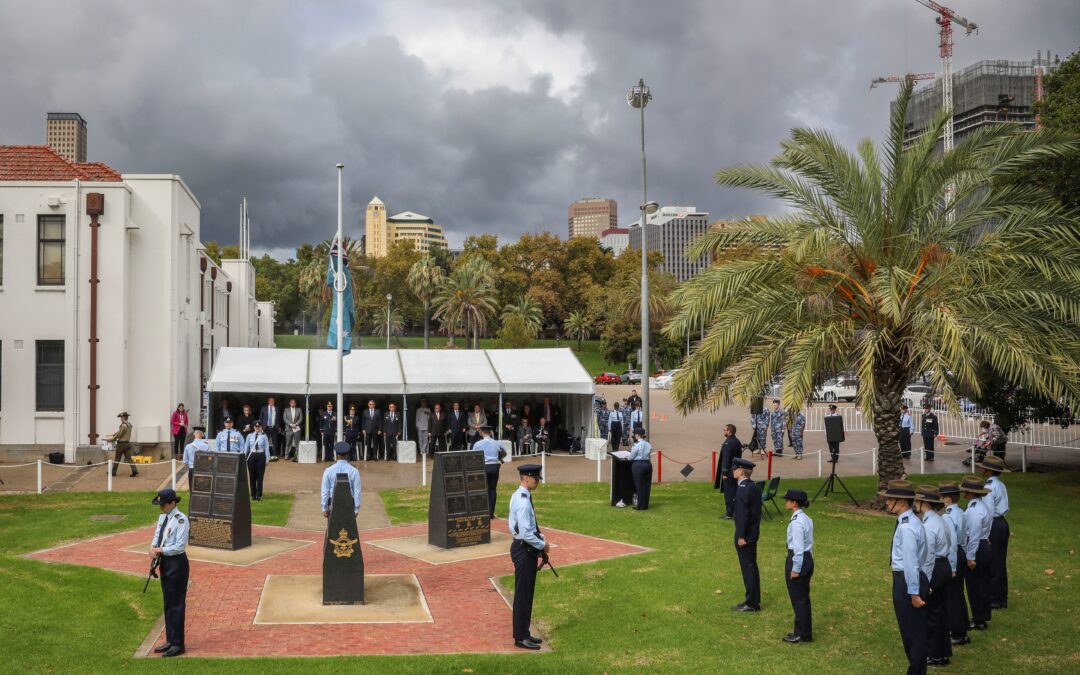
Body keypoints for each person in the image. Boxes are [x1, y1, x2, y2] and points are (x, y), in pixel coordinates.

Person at [880, 479, 929, 675]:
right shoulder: (911, 522)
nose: (886, 502)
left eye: (890, 499)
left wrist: (914, 592)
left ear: (901, 502)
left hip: (907, 581)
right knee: (912, 631)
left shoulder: (907, 527)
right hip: (911, 578)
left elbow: (911, 562)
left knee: (912, 633)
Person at [508, 463, 548, 650]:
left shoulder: (520, 495)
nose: (537, 481)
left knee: (526, 594)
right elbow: (525, 533)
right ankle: (520, 636)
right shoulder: (523, 501)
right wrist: (543, 545)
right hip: (524, 549)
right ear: (526, 478)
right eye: (535, 478)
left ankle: (524, 632)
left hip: (524, 548)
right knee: (523, 595)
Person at [914, 485, 953, 667]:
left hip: (935, 567)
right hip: (943, 564)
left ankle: (934, 653)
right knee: (940, 610)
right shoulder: (940, 520)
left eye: (917, 500)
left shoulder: (929, 525)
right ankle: (943, 652)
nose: (915, 503)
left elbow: (928, 557)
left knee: (932, 613)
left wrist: (926, 581)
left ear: (923, 503)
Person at [149, 488, 189, 658]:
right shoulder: (163, 517)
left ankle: (179, 643)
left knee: (177, 604)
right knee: (168, 603)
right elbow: (158, 534)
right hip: (165, 561)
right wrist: (153, 548)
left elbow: (179, 546)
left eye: (163, 505)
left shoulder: (181, 520)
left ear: (173, 503)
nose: (161, 508)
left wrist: (161, 550)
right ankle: (170, 639)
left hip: (177, 563)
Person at [939, 481, 971, 646]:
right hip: (960, 552)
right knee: (958, 593)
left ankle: (957, 632)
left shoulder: (947, 516)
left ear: (948, 499)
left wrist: (951, 566)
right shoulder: (961, 512)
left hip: (953, 554)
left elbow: (950, 542)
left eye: (942, 496)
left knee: (952, 595)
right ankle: (962, 629)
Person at [977, 455, 1010, 609]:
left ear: (988, 470)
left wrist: (985, 534)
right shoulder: (1000, 484)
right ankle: (1001, 595)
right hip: (1002, 523)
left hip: (994, 524)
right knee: (1000, 561)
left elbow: (988, 512)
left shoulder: (989, 487)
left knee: (994, 562)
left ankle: (995, 598)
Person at [960, 475, 992, 630]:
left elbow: (973, 535)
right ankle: (982, 615)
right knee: (982, 583)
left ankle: (979, 618)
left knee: (975, 585)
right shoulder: (981, 506)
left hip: (977, 547)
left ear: (970, 492)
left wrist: (970, 557)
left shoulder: (974, 510)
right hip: (983, 544)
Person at [782, 488, 814, 644]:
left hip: (797, 559)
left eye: (787, 500)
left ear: (794, 503)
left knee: (798, 598)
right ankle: (805, 631)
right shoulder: (807, 519)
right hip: (807, 559)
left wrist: (795, 569)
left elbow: (799, 549)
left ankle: (801, 633)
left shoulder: (796, 523)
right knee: (803, 597)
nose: (786, 502)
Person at [732, 457, 762, 612]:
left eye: (735, 469)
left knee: (748, 568)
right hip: (752, 532)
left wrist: (741, 536)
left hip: (746, 535)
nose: (733, 471)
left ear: (741, 471)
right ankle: (753, 599)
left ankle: (751, 602)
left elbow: (743, 515)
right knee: (751, 567)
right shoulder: (752, 487)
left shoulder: (743, 489)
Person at [321, 441, 361, 519]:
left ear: (336, 454)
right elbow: (357, 491)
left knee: (332, 528)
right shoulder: (354, 471)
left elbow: (325, 491)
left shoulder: (328, 470)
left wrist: (324, 507)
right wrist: (356, 508)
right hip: (349, 503)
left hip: (333, 503)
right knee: (349, 529)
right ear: (347, 454)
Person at [475, 425, 503, 517]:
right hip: (494, 466)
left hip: (484, 466)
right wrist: (500, 460)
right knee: (493, 489)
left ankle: (484, 510)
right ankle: (491, 512)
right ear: (490, 433)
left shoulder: (478, 444)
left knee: (484, 489)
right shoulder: (497, 443)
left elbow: (473, 455)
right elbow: (505, 452)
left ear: (482, 433)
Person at [717, 424, 743, 519]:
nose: (724, 431)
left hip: (729, 472)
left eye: (725, 430)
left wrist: (724, 473)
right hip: (735, 470)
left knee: (729, 493)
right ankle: (733, 511)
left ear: (729, 431)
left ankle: (729, 513)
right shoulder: (736, 441)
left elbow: (726, 459)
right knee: (733, 491)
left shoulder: (728, 443)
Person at [106, 412, 139, 477]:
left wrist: (112, 439)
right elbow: (120, 432)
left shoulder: (123, 425)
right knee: (129, 458)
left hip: (121, 444)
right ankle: (135, 470)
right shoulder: (129, 425)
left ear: (123, 417)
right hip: (127, 444)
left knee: (117, 459)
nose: (120, 419)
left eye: (121, 417)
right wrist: (113, 434)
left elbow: (119, 434)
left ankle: (113, 472)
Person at [627, 429, 653, 510]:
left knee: (639, 485)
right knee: (647, 485)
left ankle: (640, 505)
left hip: (638, 465)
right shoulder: (648, 444)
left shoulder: (636, 445)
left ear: (637, 435)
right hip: (648, 464)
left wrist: (628, 457)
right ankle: (645, 505)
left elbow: (631, 457)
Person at [245, 421, 270, 501]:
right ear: (254, 427)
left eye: (259, 427)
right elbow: (246, 447)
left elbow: (266, 448)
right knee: (252, 476)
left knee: (260, 476)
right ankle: (253, 495)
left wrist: (267, 459)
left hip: (261, 455)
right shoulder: (249, 436)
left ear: (261, 427)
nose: (257, 428)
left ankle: (259, 495)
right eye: (256, 427)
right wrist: (244, 457)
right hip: (252, 456)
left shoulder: (264, 436)